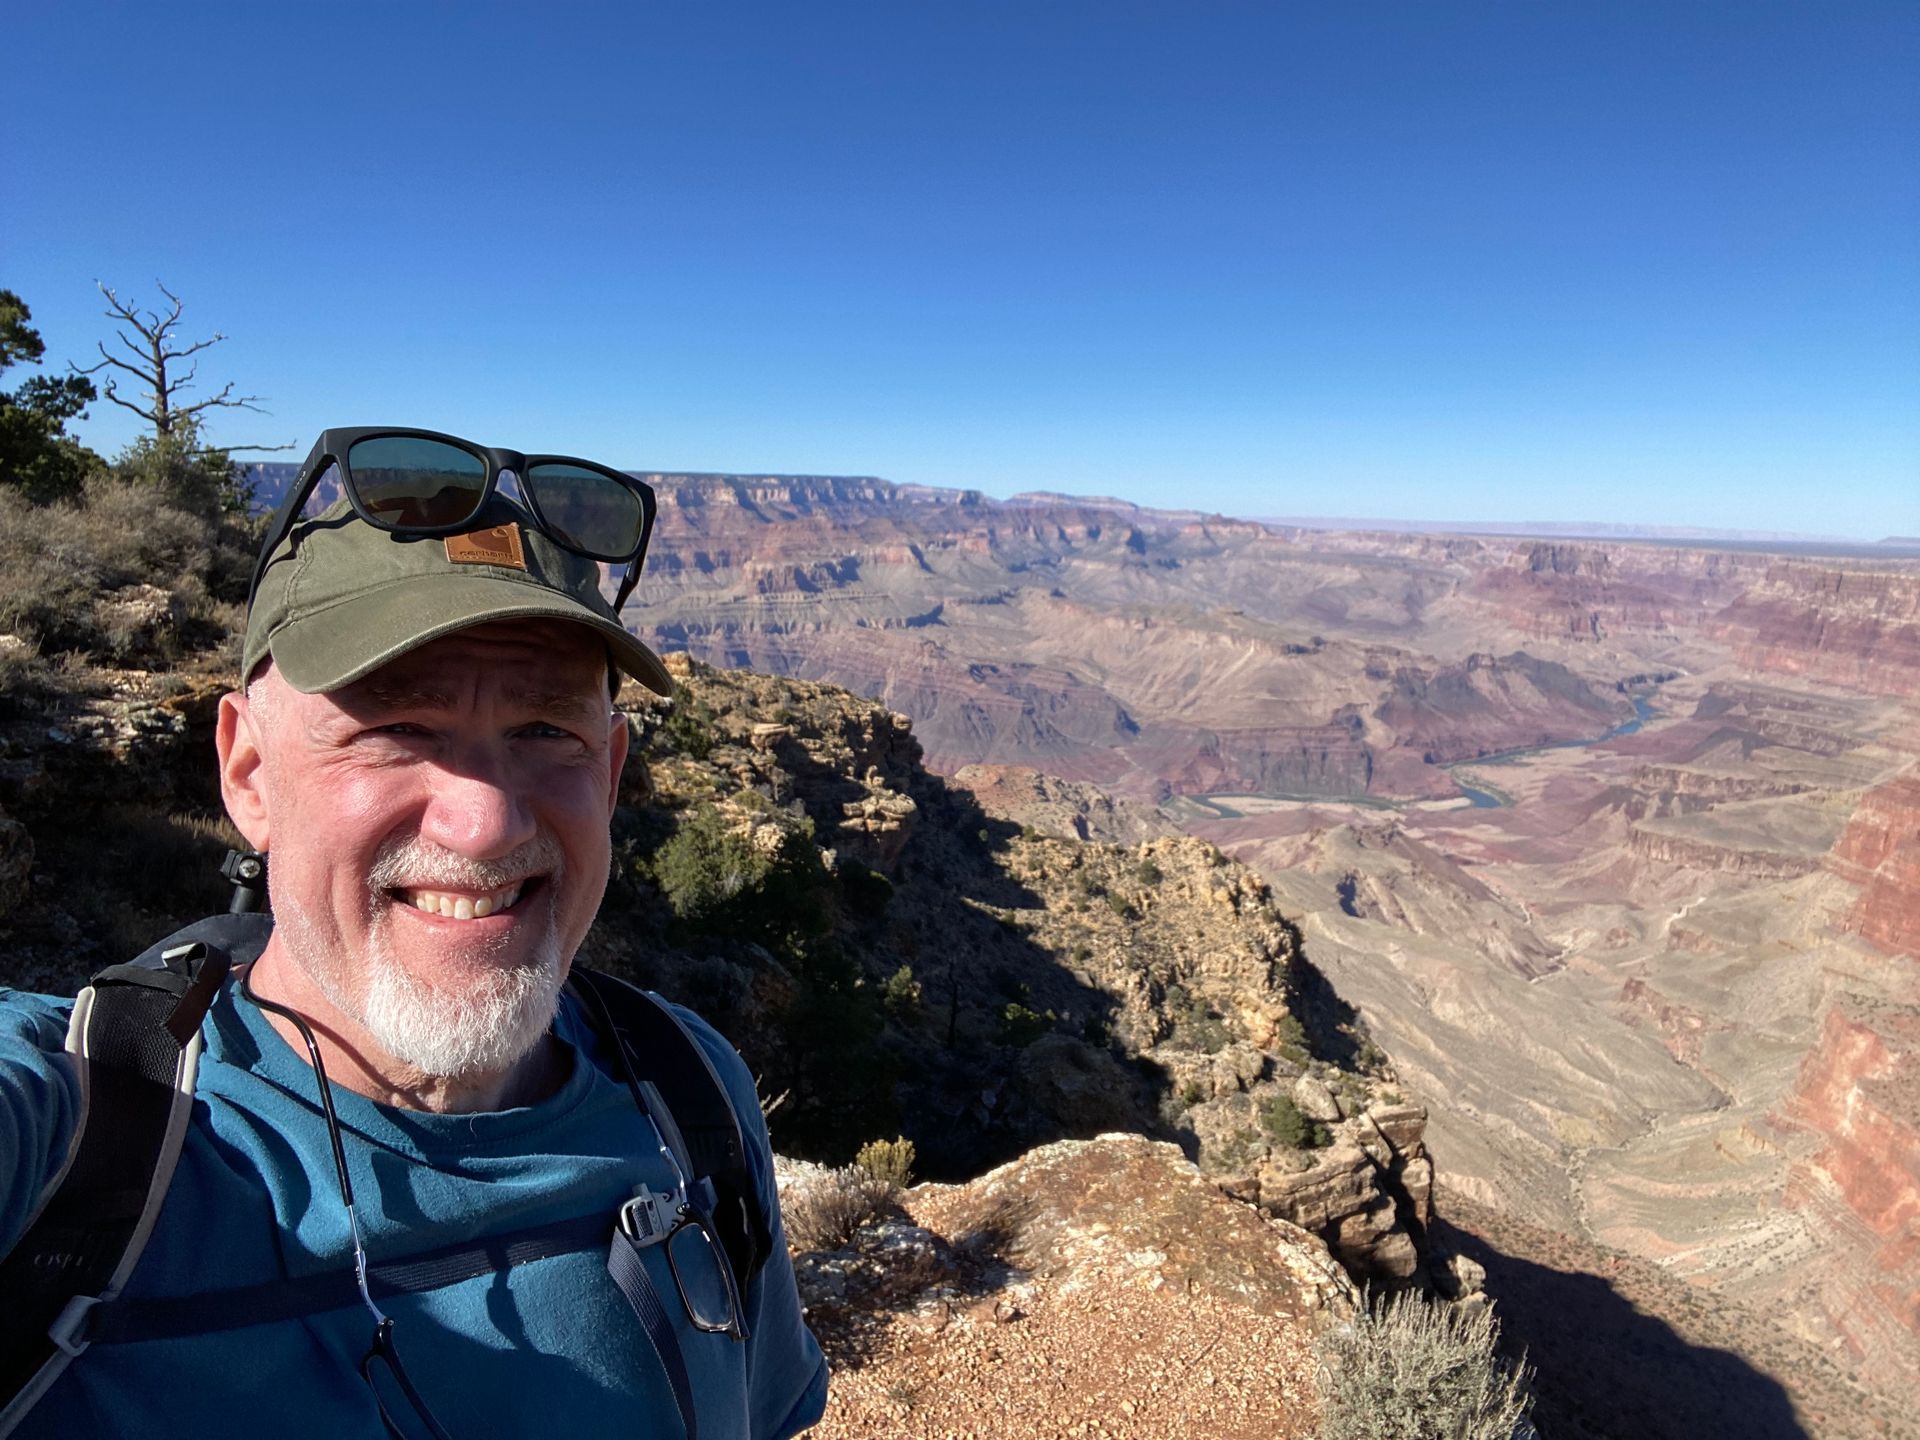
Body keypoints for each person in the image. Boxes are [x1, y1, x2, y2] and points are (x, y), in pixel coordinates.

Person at [0, 428, 828, 1437]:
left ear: (610, 776)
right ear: (250, 777)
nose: (486, 821)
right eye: (396, 730)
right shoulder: (71, 1135)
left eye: (544, 733)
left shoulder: (690, 1092)